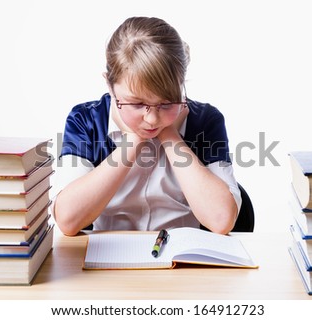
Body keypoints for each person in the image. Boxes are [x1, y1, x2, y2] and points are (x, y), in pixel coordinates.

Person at [53, 16, 242, 236]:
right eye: (136, 103)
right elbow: (68, 220)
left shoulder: (206, 120)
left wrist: (170, 136)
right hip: (108, 258)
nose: (152, 120)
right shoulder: (85, 120)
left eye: (166, 103)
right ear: (110, 86)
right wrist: (133, 141)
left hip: (181, 259)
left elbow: (221, 220)